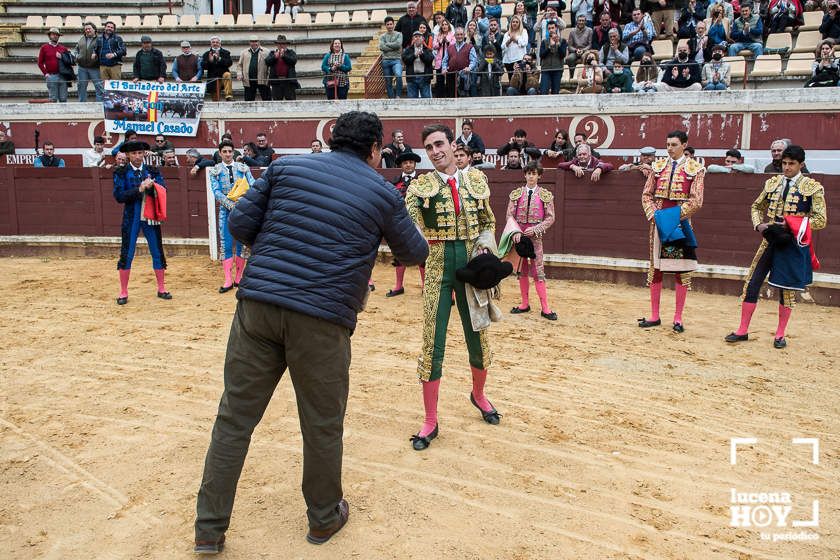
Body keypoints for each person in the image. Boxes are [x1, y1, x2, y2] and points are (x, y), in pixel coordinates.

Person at [194, 111, 428, 552]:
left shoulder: (285, 167)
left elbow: (240, 224)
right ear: (375, 150)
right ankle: (322, 519)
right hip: (322, 319)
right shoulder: (382, 191)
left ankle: (208, 529)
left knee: (233, 420)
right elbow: (413, 252)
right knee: (321, 424)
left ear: (334, 139)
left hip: (259, 305)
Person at [404, 123, 500, 452]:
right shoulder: (419, 188)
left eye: (439, 144)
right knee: (433, 340)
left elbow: (488, 222)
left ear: (452, 144)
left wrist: (485, 247)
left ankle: (479, 395)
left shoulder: (477, 180)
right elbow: (410, 227)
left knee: (478, 333)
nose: (435, 151)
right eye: (428, 147)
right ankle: (430, 419)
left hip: (471, 263)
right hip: (437, 265)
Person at [724, 145, 826, 349]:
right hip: (770, 239)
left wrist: (792, 223)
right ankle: (742, 330)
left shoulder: (812, 187)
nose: (786, 167)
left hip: (791, 242)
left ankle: (780, 334)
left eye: (791, 164)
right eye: (784, 163)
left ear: (801, 164)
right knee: (753, 282)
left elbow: (820, 219)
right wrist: (758, 224)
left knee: (786, 290)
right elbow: (756, 206)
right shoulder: (772, 183)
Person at [638, 130, 705, 333]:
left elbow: (697, 201)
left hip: (679, 224)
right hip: (658, 223)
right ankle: (655, 315)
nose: (669, 148)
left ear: (684, 145)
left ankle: (677, 318)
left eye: (674, 144)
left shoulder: (696, 169)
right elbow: (646, 194)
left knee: (680, 269)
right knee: (656, 267)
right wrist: (655, 216)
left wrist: (671, 217)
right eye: (667, 144)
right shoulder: (658, 167)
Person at [112, 140, 171, 305]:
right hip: (132, 216)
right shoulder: (121, 172)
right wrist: (139, 189)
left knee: (156, 250)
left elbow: (164, 189)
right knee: (127, 252)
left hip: (150, 216)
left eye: (140, 153)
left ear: (144, 154)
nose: (137, 156)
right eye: (134, 153)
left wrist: (152, 187)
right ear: (128, 155)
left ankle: (161, 288)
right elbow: (119, 196)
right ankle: (123, 291)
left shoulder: (152, 170)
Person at [505, 161, 558, 320]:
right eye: (528, 173)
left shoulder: (545, 195)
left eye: (534, 173)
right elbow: (509, 215)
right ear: (525, 175)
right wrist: (515, 231)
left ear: (539, 176)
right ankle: (524, 304)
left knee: (538, 271)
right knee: (522, 270)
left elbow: (550, 218)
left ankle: (545, 308)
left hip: (535, 239)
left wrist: (535, 229)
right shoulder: (516, 194)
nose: (531, 176)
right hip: (520, 238)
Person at [209, 140, 256, 293]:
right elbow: (216, 192)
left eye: (230, 151)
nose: (228, 154)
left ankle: (239, 277)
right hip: (226, 211)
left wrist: (242, 202)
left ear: (234, 152)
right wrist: (230, 205)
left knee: (242, 244)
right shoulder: (214, 170)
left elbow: (253, 185)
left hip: (242, 211)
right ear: (220, 153)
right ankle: (228, 279)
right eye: (225, 152)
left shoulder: (243, 168)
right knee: (227, 244)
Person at [388, 151, 427, 297]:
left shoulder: (423, 181)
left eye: (410, 162)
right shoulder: (395, 182)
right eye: (405, 163)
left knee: (422, 252)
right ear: (401, 165)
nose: (408, 164)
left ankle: (425, 286)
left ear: (415, 164)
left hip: (420, 223)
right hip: (401, 223)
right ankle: (399, 286)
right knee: (399, 253)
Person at [73, 22, 103, 103]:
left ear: (94, 29)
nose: (87, 30)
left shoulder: (99, 39)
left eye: (89, 28)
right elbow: (76, 49)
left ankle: (99, 104)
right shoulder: (81, 39)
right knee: (81, 86)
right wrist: (76, 56)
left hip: (95, 67)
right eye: (86, 29)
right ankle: (82, 104)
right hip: (82, 67)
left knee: (99, 87)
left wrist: (97, 55)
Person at [38, 28, 69, 103]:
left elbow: (69, 61)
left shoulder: (63, 48)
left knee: (63, 98)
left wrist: (62, 57)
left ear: (58, 36)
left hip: (63, 76)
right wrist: (46, 74)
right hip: (51, 76)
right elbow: (40, 63)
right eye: (53, 34)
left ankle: (63, 114)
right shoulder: (44, 48)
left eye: (56, 35)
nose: (55, 36)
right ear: (49, 36)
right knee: (53, 99)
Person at [266, 34, 300, 100]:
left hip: (288, 81)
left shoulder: (291, 52)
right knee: (277, 102)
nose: (281, 45)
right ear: (277, 45)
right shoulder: (272, 53)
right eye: (279, 44)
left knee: (291, 102)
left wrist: (284, 56)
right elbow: (267, 62)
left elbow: (293, 61)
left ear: (286, 44)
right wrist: (274, 57)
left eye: (283, 44)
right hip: (276, 82)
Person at [403, 31, 434, 98]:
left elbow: (429, 60)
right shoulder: (408, 50)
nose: (417, 38)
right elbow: (405, 60)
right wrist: (414, 55)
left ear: (423, 39)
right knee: (412, 100)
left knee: (426, 100)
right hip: (412, 78)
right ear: (413, 39)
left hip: (424, 77)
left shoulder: (427, 50)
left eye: (419, 36)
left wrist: (422, 55)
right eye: (415, 37)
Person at [202, 36, 234, 101]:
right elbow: (204, 66)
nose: (215, 43)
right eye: (213, 42)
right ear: (211, 44)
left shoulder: (226, 52)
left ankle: (229, 96)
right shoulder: (206, 54)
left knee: (227, 74)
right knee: (215, 101)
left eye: (217, 42)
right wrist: (209, 61)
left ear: (220, 44)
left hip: (223, 77)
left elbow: (229, 63)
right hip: (213, 78)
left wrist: (219, 59)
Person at [239, 36, 271, 101]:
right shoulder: (244, 52)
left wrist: (268, 78)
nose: (254, 43)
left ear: (259, 42)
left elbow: (270, 65)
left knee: (267, 100)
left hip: (262, 79)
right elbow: (239, 65)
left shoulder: (266, 51)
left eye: (256, 41)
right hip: (249, 80)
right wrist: (239, 74)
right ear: (249, 43)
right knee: (248, 101)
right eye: (252, 41)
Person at [539, 22, 567, 94]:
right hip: (546, 69)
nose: (551, 30)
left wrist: (558, 45)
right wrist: (549, 47)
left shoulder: (562, 41)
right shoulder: (544, 41)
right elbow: (541, 55)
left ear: (556, 28)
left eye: (552, 28)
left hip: (557, 69)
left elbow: (563, 55)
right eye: (549, 28)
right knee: (544, 91)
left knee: (555, 92)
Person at [380, 17, 404, 99]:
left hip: (396, 60)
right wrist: (393, 46)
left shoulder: (399, 34)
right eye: (388, 24)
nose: (390, 26)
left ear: (393, 24)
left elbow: (398, 45)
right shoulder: (382, 36)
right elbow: (382, 47)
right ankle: (391, 98)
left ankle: (398, 95)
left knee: (398, 75)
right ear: (385, 26)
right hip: (385, 61)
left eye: (391, 24)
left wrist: (387, 44)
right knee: (388, 81)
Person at [502, 16, 529, 80]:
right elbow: (502, 47)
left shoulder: (523, 31)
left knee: (521, 79)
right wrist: (509, 40)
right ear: (511, 23)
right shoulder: (506, 34)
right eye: (513, 22)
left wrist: (515, 39)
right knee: (511, 80)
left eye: (517, 22)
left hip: (520, 59)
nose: (515, 23)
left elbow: (524, 43)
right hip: (508, 61)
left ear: (519, 23)